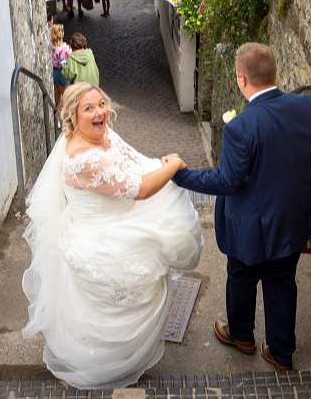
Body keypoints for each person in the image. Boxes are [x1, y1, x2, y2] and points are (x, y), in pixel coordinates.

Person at [22, 83, 204, 389]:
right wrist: (173, 165)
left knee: (141, 288)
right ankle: (104, 362)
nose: (99, 112)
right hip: (99, 238)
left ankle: (118, 353)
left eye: (101, 104)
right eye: (89, 109)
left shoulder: (102, 134)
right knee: (123, 298)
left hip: (117, 218)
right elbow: (141, 189)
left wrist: (158, 164)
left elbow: (135, 163)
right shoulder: (83, 159)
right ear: (72, 117)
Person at [171, 42, 311, 371]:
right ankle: (281, 353)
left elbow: (227, 182)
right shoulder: (308, 107)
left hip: (249, 229)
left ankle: (241, 335)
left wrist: (181, 175)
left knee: (241, 278)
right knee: (283, 283)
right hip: (292, 221)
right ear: (275, 73)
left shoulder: (240, 128)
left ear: (242, 80)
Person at [50, 24, 70, 109]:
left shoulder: (52, 48)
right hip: (62, 73)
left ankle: (55, 114)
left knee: (57, 97)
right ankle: (58, 115)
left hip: (54, 72)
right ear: (61, 34)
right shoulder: (65, 49)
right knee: (66, 97)